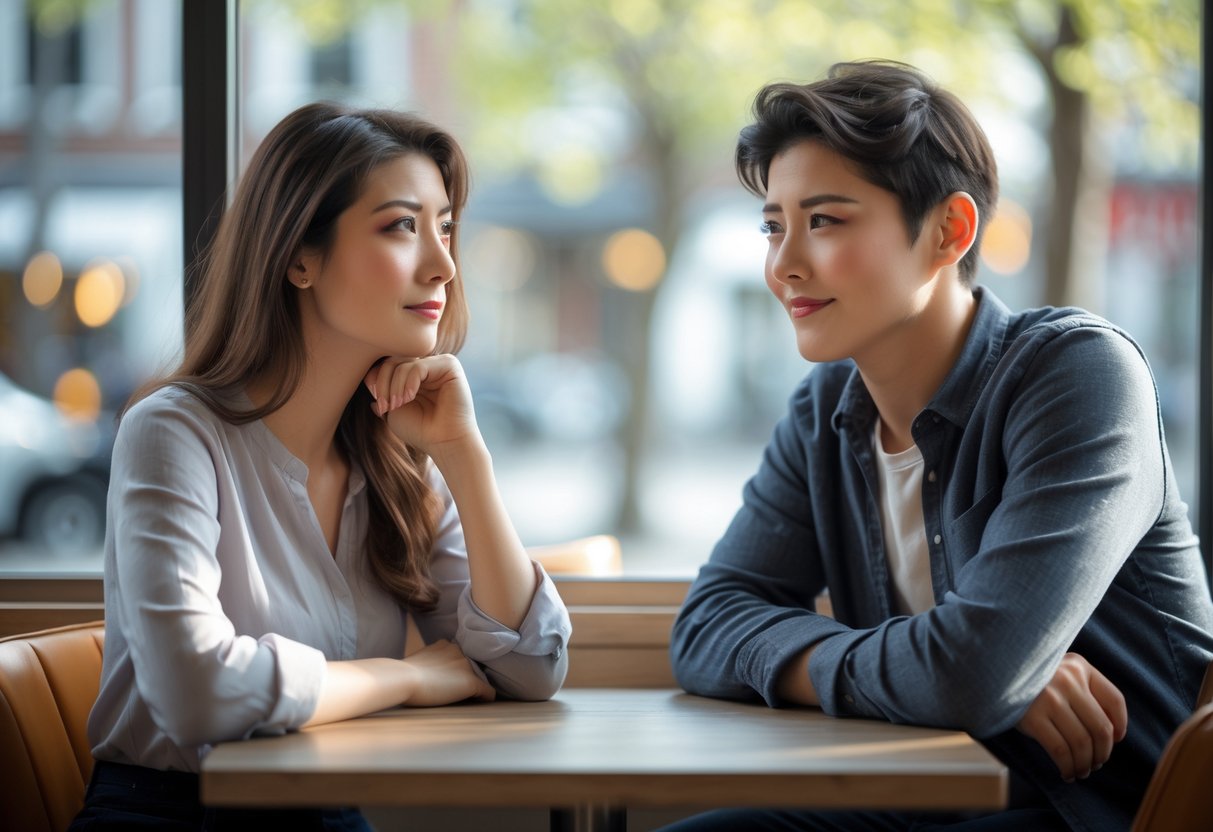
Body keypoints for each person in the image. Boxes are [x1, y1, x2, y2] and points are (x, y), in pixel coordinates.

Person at [666, 61, 1213, 832]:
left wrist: (978, 675)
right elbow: (706, 622)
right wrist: (961, 672)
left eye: (823, 221)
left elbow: (973, 673)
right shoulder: (826, 406)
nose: (782, 263)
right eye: (772, 225)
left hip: (1100, 810)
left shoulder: (1079, 376)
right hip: (924, 791)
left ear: (949, 231)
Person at [69, 102, 572, 831]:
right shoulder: (174, 433)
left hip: (327, 814)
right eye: (401, 225)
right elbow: (194, 692)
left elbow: (530, 669)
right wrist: (403, 677)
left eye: (445, 227)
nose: (443, 264)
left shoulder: (399, 455)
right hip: (170, 817)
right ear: (299, 256)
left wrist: (463, 454)